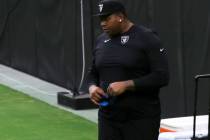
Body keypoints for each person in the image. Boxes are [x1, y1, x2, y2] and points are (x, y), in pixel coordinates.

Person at [87, 0, 169, 140]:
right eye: (101, 19)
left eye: (107, 18)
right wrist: (92, 87)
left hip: (140, 119)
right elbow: (93, 72)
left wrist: (127, 84)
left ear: (120, 17)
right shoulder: (101, 41)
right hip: (108, 118)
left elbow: (162, 76)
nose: (102, 23)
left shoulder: (147, 37)